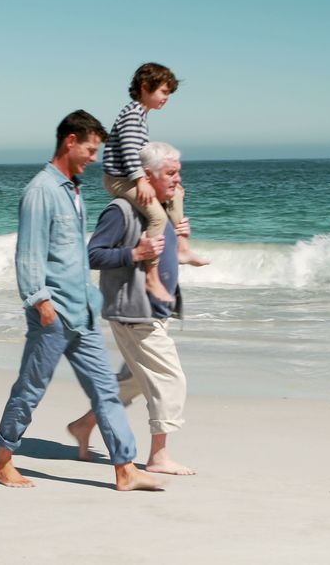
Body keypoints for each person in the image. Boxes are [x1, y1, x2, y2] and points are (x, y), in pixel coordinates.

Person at [0, 110, 162, 492]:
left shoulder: (73, 190)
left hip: (83, 311)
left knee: (105, 391)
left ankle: (125, 468)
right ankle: (3, 460)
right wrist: (40, 301)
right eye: (89, 148)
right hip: (52, 314)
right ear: (71, 142)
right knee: (30, 389)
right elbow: (29, 254)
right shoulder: (41, 191)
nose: (94, 157)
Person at [68, 141, 195, 475]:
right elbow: (92, 255)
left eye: (178, 172)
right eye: (170, 173)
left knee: (134, 381)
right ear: (147, 175)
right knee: (170, 379)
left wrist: (179, 234)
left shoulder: (161, 208)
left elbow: (167, 252)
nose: (177, 180)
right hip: (135, 311)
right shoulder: (120, 211)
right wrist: (134, 255)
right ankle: (159, 457)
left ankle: (84, 425)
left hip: (154, 309)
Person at [102, 62, 208, 305]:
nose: (166, 98)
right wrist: (141, 181)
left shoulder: (141, 114)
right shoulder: (132, 114)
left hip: (131, 176)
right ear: (145, 87)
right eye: (163, 92)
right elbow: (130, 153)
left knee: (176, 194)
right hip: (120, 179)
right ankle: (152, 276)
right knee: (158, 217)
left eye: (169, 94)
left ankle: (181, 246)